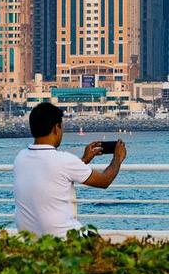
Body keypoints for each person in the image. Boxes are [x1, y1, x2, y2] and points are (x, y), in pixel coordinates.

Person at [12, 101, 126, 236]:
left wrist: (83, 160)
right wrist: (118, 158)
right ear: (56, 128)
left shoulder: (20, 157)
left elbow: (54, 173)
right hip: (65, 237)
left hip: (31, 236)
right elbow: (104, 181)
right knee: (101, 247)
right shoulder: (64, 160)